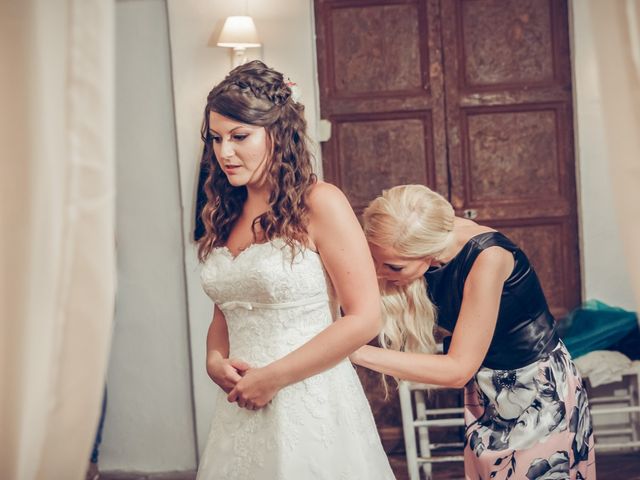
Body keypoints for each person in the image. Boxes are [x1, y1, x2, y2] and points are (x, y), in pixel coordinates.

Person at [195, 60, 395, 480]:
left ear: (277, 133)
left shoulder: (321, 203)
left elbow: (364, 317)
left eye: (239, 136)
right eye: (216, 138)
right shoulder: (224, 211)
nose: (224, 152)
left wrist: (274, 378)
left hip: (310, 399)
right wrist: (215, 359)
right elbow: (226, 311)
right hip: (242, 407)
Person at [351, 184, 596, 479]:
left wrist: (354, 351)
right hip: (487, 389)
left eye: (392, 266)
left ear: (427, 252)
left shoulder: (488, 258)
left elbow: (457, 370)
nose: (378, 273)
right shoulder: (424, 237)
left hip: (537, 391)